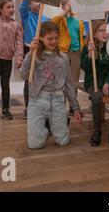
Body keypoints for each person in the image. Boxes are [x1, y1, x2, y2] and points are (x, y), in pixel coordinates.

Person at [20, 21, 82, 149]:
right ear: (41, 38)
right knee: (34, 144)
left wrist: (75, 107)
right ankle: (46, 128)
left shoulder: (63, 58)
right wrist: (30, 53)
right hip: (37, 100)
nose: (53, 41)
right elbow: (23, 75)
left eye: (56, 38)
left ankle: (58, 125)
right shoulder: (34, 55)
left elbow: (69, 84)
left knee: (63, 141)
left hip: (58, 100)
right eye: (50, 38)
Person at [80, 20, 109, 146]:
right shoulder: (87, 47)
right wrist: (89, 55)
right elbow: (84, 67)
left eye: (107, 31)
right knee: (97, 98)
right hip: (93, 81)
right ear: (94, 33)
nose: (105, 33)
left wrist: (108, 83)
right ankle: (97, 131)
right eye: (101, 31)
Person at [51, 0, 85, 117]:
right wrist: (64, 13)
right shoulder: (60, 20)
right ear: (63, 6)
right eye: (69, 4)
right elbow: (53, 23)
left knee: (74, 81)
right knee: (62, 80)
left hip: (76, 53)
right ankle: (61, 106)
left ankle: (73, 106)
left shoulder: (79, 22)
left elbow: (81, 37)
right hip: (63, 52)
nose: (71, 6)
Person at [19, 0, 49, 119]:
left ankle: (40, 105)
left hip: (42, 51)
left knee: (42, 77)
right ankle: (28, 106)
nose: (38, 3)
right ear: (30, 4)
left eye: (40, 2)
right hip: (29, 49)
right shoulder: (27, 16)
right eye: (35, 1)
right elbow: (22, 8)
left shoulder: (46, 19)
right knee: (29, 79)